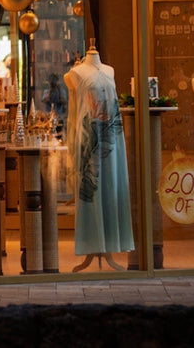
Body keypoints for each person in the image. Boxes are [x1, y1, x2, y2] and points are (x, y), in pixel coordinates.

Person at [64, 44, 135, 259]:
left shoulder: (109, 70)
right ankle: (92, 242)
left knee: (112, 184)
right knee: (92, 187)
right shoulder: (76, 73)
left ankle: (110, 243)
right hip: (89, 138)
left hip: (112, 138)